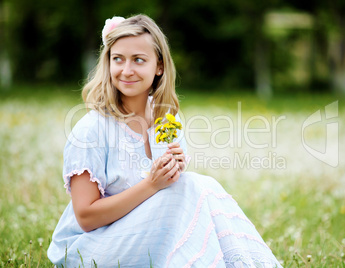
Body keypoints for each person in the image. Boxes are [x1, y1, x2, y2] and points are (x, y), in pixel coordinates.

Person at [47, 14, 282, 268]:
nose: (126, 70)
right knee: (188, 187)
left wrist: (174, 170)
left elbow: (168, 199)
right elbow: (86, 218)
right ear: (108, 63)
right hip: (90, 247)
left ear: (159, 66)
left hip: (140, 235)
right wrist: (152, 184)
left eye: (138, 60)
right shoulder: (92, 129)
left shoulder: (166, 117)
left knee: (197, 184)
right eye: (118, 59)